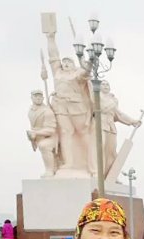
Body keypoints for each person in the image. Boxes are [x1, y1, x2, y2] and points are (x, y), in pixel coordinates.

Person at [45, 30, 92, 172]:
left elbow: (87, 72)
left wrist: (88, 62)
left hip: (77, 107)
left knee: (83, 133)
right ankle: (69, 163)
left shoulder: (77, 74)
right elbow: (53, 56)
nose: (65, 63)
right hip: (60, 106)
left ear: (74, 65)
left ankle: (93, 162)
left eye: (69, 62)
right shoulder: (57, 73)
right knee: (66, 133)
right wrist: (50, 38)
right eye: (64, 62)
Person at [98, 80, 142, 176]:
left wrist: (133, 121)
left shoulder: (112, 100)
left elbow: (119, 114)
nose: (105, 86)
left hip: (110, 127)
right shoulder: (96, 96)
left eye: (107, 84)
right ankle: (97, 174)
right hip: (99, 126)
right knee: (99, 149)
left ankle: (109, 175)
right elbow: (102, 108)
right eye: (103, 84)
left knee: (111, 152)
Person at [27, 89, 58, 177]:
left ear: (43, 98)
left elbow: (51, 130)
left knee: (44, 145)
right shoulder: (30, 110)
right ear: (31, 98)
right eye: (36, 96)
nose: (38, 98)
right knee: (41, 144)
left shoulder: (47, 111)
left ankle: (49, 171)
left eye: (40, 96)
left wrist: (36, 133)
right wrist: (32, 137)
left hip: (51, 137)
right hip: (38, 137)